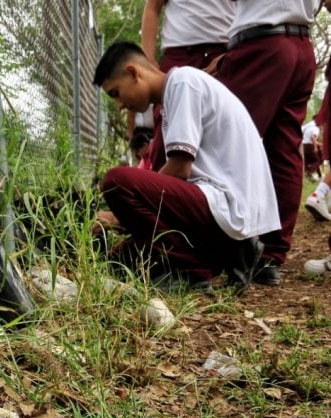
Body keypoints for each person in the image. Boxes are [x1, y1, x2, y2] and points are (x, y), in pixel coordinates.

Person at [93, 41, 278, 294]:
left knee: (116, 182)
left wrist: (118, 217)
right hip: (219, 209)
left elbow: (180, 169)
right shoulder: (175, 92)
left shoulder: (183, 82)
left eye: (116, 93)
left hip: (226, 205)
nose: (120, 105)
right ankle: (230, 253)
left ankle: (190, 272)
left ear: (133, 72)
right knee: (118, 262)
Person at [215, 1, 319, 286]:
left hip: (262, 43)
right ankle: (271, 256)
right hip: (301, 46)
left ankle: (217, 247)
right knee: (284, 151)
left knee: (225, 144)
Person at [140, 0, 236, 171]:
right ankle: (159, 187)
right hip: (179, 54)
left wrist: (234, 53)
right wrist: (148, 61)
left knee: (223, 135)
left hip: (224, 53)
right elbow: (153, 7)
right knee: (166, 135)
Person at [302, 116, 323, 181]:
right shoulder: (316, 129)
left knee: (307, 161)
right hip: (309, 146)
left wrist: (320, 144)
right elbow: (312, 137)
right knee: (317, 160)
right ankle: (309, 171)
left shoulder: (310, 128)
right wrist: (315, 147)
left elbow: (312, 139)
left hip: (304, 145)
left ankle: (307, 172)